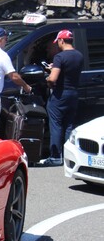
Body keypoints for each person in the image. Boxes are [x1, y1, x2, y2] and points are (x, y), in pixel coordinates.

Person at [39, 29, 84, 166]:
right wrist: (56, 68)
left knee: (56, 125)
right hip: (73, 93)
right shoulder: (79, 55)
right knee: (69, 125)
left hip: (60, 94)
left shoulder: (59, 57)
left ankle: (55, 157)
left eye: (58, 41)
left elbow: (53, 79)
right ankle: (68, 156)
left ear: (61, 40)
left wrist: (48, 78)